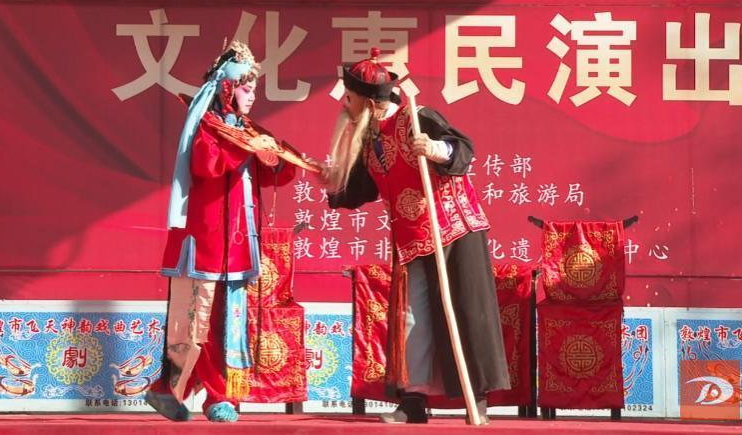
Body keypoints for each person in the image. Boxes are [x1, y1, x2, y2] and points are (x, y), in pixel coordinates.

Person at [322, 48, 510, 424]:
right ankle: (412, 402)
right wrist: (330, 183)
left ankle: (476, 398)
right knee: (412, 318)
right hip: (410, 238)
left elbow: (463, 150)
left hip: (452, 229)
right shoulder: (369, 138)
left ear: (369, 103)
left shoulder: (417, 118)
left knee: (465, 312)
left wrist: (435, 149)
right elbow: (361, 189)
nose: (345, 105)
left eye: (350, 98)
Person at [145, 41, 297, 423]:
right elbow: (206, 165)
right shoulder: (207, 126)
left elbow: (276, 170)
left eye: (254, 89)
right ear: (227, 89)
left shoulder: (246, 129)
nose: (252, 96)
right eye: (246, 88)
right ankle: (211, 395)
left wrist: (273, 158)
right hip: (206, 241)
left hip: (236, 243)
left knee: (226, 321)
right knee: (200, 321)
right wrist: (247, 149)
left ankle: (179, 391)